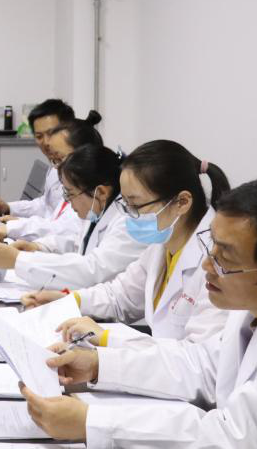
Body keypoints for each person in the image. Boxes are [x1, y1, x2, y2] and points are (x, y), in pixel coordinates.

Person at [20, 174, 257, 448]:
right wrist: (99, 364)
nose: (207, 265)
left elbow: (239, 439)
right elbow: (204, 365)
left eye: (225, 257)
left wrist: (93, 422)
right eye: (211, 246)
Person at [20, 140, 231, 347]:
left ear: (182, 202)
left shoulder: (218, 261)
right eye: (126, 204)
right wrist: (68, 301)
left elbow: (197, 357)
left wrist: (108, 338)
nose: (129, 216)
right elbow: (120, 296)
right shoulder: (163, 242)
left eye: (136, 205)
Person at [0, 145, 145, 289]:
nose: (67, 201)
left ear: (101, 192)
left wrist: (18, 260)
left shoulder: (128, 223)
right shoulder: (98, 210)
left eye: (70, 193)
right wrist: (39, 247)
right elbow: (77, 245)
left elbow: (92, 270)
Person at [0, 99, 83, 242]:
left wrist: (18, 226)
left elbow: (66, 229)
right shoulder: (55, 166)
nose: (46, 142)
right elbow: (46, 204)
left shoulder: (83, 173)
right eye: (39, 136)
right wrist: (9, 208)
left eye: (51, 133)